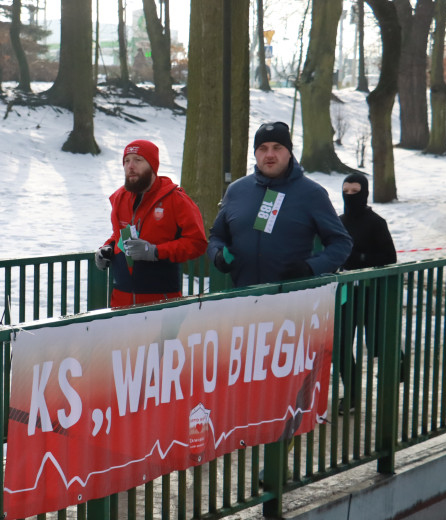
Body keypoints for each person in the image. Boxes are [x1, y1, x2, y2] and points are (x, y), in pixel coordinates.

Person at [208, 121, 353, 287]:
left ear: (289, 152)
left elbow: (341, 242)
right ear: (255, 153)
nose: (269, 154)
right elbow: (217, 236)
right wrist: (217, 255)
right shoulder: (236, 190)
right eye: (262, 148)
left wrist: (311, 268)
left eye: (277, 147)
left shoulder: (312, 193)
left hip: (292, 300)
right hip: (242, 298)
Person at [94, 139, 207, 307]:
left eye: (138, 160)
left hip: (161, 302)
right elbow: (119, 234)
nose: (130, 166)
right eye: (126, 161)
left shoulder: (176, 199)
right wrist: (107, 248)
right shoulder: (120, 198)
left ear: (153, 166)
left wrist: (154, 252)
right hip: (121, 300)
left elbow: (197, 243)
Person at [337, 172, 399, 412]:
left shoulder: (376, 223)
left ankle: (391, 382)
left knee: (380, 344)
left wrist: (360, 259)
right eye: (346, 192)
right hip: (345, 293)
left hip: (371, 292)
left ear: (364, 193)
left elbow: (389, 257)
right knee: (341, 345)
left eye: (355, 191)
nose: (350, 196)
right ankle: (351, 394)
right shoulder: (339, 222)